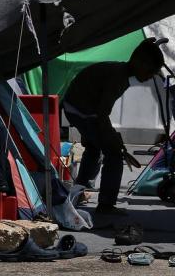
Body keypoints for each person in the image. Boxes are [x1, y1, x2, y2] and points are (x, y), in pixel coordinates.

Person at [63, 38, 165, 215]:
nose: (150, 76)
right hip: (82, 110)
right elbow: (102, 115)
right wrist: (115, 143)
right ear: (138, 62)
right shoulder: (118, 78)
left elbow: (100, 116)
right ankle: (106, 205)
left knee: (95, 148)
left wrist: (108, 135)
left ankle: (78, 192)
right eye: (150, 71)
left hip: (76, 107)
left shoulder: (119, 72)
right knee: (114, 154)